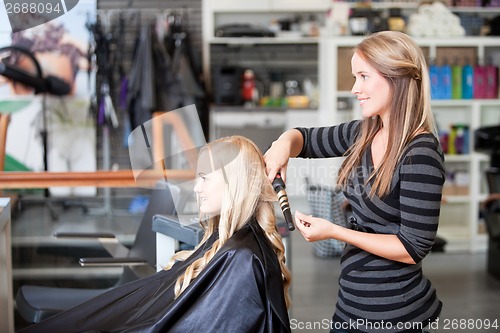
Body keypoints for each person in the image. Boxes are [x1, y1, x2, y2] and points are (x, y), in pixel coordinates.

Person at [264, 31, 445, 333]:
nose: (354, 88)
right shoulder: (363, 134)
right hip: (352, 303)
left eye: (363, 76)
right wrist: (283, 145)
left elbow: (411, 247)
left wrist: (335, 232)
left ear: (395, 76)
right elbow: (305, 139)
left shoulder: (420, 153)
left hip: (393, 314)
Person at [19, 135, 292, 333]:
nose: (196, 188)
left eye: (205, 178)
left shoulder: (242, 259)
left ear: (235, 183)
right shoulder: (226, 245)